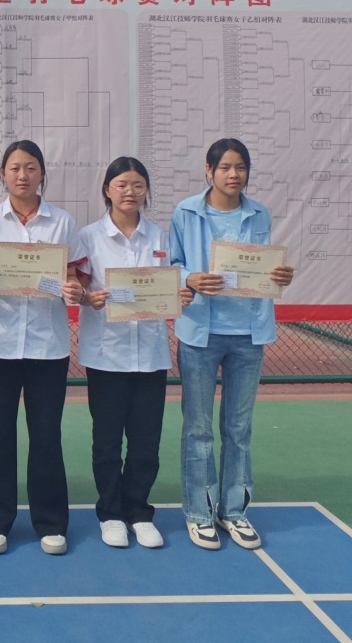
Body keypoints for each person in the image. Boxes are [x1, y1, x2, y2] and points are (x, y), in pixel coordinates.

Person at [170, 138, 295, 551]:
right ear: (208, 171)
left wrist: (279, 276)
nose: (233, 174)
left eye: (240, 167)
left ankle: (234, 511)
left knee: (238, 429)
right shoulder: (186, 212)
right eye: (224, 167)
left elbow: (263, 267)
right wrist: (190, 278)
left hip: (248, 334)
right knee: (199, 429)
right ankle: (199, 512)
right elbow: (171, 264)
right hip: (200, 333)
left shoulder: (259, 214)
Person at [0, 140, 84, 556]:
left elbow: (75, 277)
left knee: (46, 435)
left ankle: (50, 522)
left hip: (47, 346)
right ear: (3, 174)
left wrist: (74, 288)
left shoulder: (63, 223)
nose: (23, 175)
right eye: (15, 167)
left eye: (31, 167)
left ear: (42, 174)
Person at [76, 157, 192, 550]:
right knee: (107, 440)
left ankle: (139, 512)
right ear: (107, 190)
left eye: (138, 185)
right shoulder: (88, 237)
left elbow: (172, 285)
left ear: (146, 191)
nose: (130, 192)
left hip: (151, 355)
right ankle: (110, 513)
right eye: (122, 184)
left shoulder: (159, 237)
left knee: (146, 441)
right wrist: (88, 298)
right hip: (106, 355)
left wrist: (181, 296)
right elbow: (77, 287)